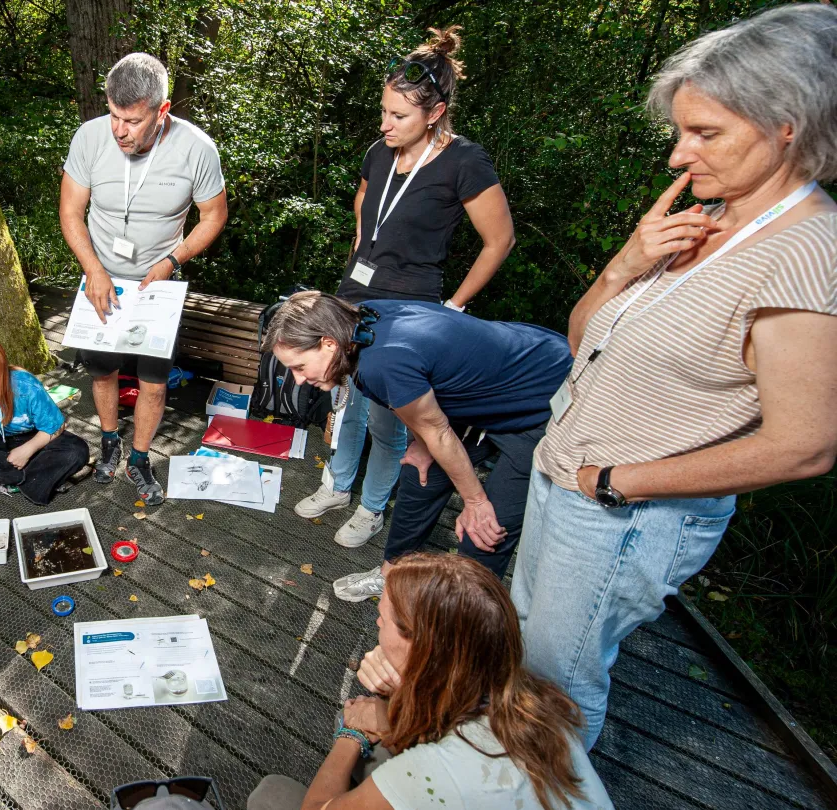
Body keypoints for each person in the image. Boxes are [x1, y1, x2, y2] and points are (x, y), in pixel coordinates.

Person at [512, 3, 837, 751]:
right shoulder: (710, 216)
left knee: (556, 691)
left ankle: (546, 795)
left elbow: (805, 446)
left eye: (705, 133)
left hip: (621, 513)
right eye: (680, 131)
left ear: (787, 122)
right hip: (562, 478)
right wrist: (630, 261)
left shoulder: (806, 249)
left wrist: (616, 480)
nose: (677, 157)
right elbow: (583, 339)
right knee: (526, 656)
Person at [300, 26, 514, 550]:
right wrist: (358, 252)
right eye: (384, 111)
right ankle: (338, 484)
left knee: (386, 416)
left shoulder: (464, 161)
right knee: (344, 400)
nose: (385, 123)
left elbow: (500, 240)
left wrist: (456, 306)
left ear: (435, 113)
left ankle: (372, 508)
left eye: (399, 116)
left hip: (409, 310)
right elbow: (364, 205)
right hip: (355, 298)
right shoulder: (380, 151)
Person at [264, 292, 570, 602]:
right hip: (477, 400)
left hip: (541, 400)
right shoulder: (359, 325)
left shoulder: (380, 363)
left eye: (299, 367)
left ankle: (467, 619)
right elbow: (424, 392)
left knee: (485, 532)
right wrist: (423, 442)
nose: (298, 379)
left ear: (328, 344)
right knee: (417, 476)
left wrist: (475, 502)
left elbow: (436, 427)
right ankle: (393, 574)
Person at [247, 553, 612, 810]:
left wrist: (352, 734)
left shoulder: (439, 769)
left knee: (272, 795)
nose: (376, 625)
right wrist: (400, 691)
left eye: (383, 618)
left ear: (421, 645)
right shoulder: (533, 702)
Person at [60, 52, 228, 505]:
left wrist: (173, 260)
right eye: (114, 115)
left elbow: (213, 215)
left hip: (160, 282)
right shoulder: (90, 138)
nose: (119, 130)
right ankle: (110, 440)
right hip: (101, 276)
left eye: (132, 121)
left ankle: (138, 457)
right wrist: (93, 269)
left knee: (154, 380)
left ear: (162, 110)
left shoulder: (197, 149)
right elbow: (71, 212)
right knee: (104, 370)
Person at [0, 334, 90, 505]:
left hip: (32, 436)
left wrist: (27, 450)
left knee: (77, 450)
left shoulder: (25, 385)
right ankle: (33, 481)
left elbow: (55, 426)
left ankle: (5, 481)